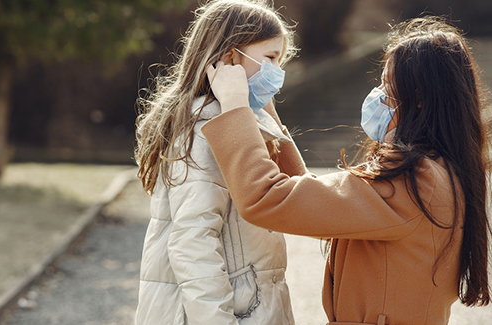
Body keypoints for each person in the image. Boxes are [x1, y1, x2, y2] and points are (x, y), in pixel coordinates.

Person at [203, 17, 491, 324]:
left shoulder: (414, 179)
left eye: (386, 84)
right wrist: (267, 113)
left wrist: (235, 106)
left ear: (418, 100)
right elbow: (312, 199)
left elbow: (266, 198)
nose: (378, 94)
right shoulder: (440, 170)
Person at [134, 0, 301, 324]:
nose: (276, 72)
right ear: (229, 58)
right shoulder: (206, 131)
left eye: (280, 61)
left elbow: (294, 195)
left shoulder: (236, 126)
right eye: (269, 58)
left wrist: (263, 112)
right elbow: (193, 245)